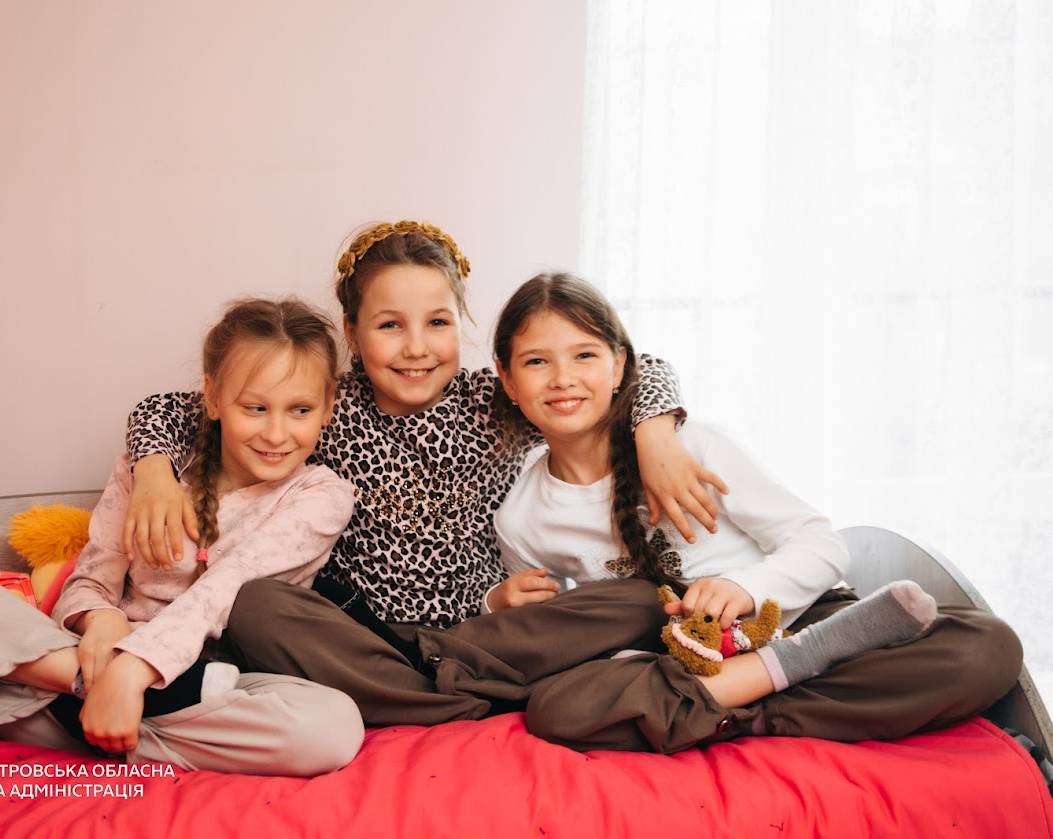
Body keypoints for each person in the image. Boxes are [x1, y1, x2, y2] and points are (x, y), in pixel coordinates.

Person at [123, 221, 725, 726]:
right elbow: (166, 410)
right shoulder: (325, 405)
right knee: (257, 606)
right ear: (352, 332)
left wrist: (655, 436)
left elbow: (640, 366)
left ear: (461, 321)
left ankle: (442, 692)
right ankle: (471, 699)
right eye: (390, 325)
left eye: (438, 323)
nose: (416, 347)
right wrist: (153, 475)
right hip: (361, 636)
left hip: (485, 631)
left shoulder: (495, 401)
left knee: (640, 599)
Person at [483, 271, 1023, 753]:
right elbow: (556, 635)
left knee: (986, 647)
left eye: (584, 355)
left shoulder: (692, 447)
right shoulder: (521, 517)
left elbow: (822, 545)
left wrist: (744, 587)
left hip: (790, 625)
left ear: (620, 364)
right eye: (537, 361)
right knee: (558, 708)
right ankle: (769, 692)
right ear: (507, 379)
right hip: (675, 660)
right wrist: (498, 603)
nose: (562, 378)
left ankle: (741, 698)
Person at [0, 297, 364, 776]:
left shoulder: (321, 497)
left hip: (204, 688)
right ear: (213, 398)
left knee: (333, 726)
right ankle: (90, 692)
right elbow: (90, 580)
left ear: (327, 408)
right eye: (254, 408)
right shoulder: (147, 473)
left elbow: (221, 592)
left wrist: (133, 672)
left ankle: (84, 706)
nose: (276, 433)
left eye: (300, 410)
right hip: (107, 666)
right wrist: (101, 621)